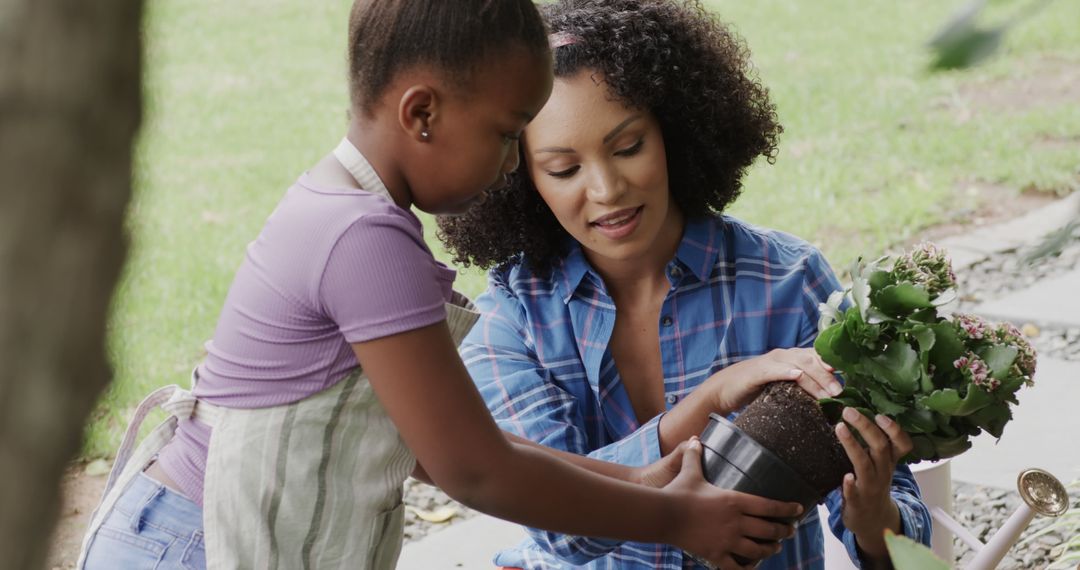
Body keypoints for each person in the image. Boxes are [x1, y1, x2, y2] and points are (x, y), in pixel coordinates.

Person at [76, 1, 808, 569]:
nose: (509, 165)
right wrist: (675, 519)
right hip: (193, 544)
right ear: (421, 113)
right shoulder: (363, 241)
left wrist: (646, 481)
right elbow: (475, 471)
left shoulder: (350, 214)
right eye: (504, 135)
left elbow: (449, 444)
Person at [437, 0, 934, 568]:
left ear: (673, 130)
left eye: (628, 148)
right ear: (520, 177)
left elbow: (900, 529)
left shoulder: (788, 282)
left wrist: (876, 524)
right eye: (564, 169)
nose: (606, 189)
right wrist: (711, 399)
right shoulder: (510, 318)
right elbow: (561, 530)